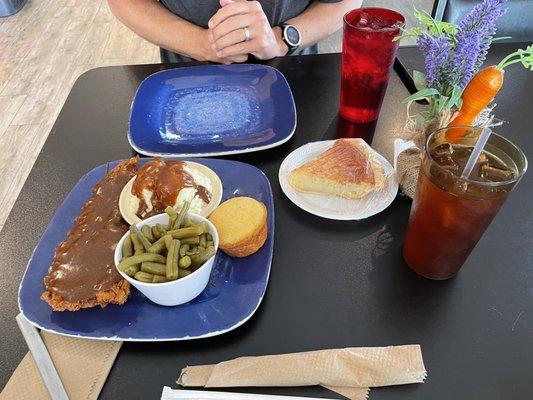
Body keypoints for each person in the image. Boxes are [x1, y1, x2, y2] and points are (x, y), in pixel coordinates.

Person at [108, 0, 361, 64]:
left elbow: (345, 2)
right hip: (184, 78)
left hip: (295, 79)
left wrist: (280, 39)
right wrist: (201, 44)